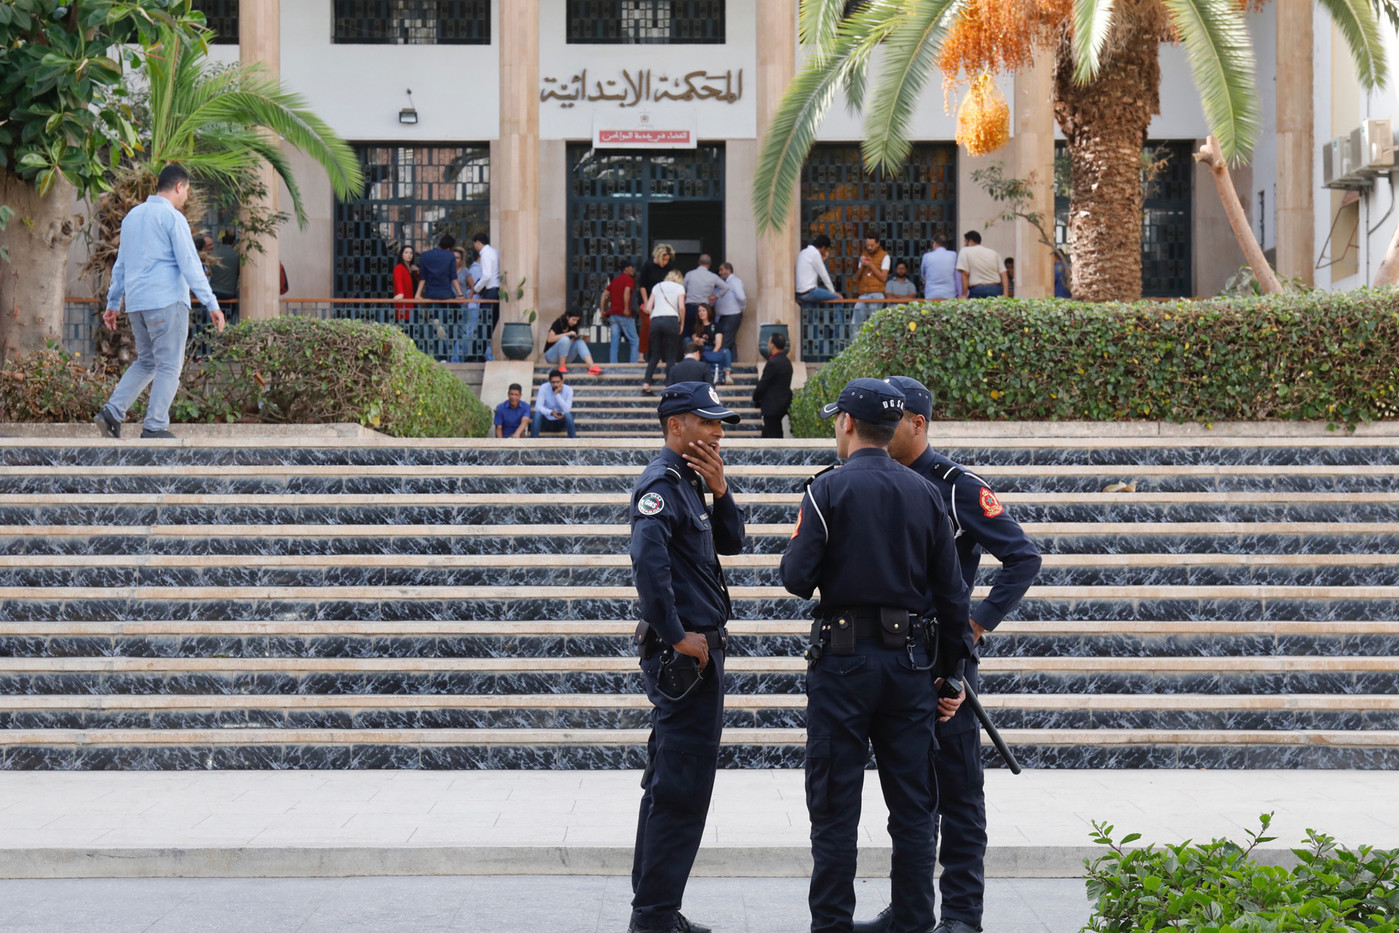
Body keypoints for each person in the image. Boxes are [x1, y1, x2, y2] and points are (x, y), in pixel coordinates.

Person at [780, 377, 974, 933]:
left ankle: (833, 925)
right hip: (913, 667)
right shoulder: (927, 493)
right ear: (893, 428)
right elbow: (953, 595)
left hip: (842, 664)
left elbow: (796, 578)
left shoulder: (826, 491)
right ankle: (914, 921)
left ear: (846, 423)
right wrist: (952, 676)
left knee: (835, 806)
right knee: (914, 808)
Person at [855, 376, 1043, 933]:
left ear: (919, 423)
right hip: (892, 661)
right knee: (909, 798)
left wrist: (977, 624)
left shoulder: (955, 485)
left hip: (945, 662)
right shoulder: (867, 479)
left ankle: (962, 915)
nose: (887, 426)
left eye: (900, 417)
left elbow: (1022, 557)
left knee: (958, 792)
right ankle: (910, 908)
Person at [628, 381, 745, 933]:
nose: (719, 432)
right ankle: (653, 917)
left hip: (699, 652)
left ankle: (656, 910)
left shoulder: (691, 483)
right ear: (677, 425)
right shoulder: (660, 483)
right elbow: (647, 566)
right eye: (710, 421)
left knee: (671, 783)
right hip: (687, 656)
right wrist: (677, 636)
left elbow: (734, 544)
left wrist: (722, 490)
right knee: (680, 787)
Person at [94, 164, 227, 440]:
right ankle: (155, 426)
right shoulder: (172, 217)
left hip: (137, 304)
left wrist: (113, 302)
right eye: (187, 191)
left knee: (148, 361)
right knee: (168, 364)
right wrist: (211, 303)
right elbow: (189, 264)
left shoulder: (132, 217)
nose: (186, 197)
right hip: (167, 301)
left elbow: (121, 265)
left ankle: (112, 412)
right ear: (179, 186)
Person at [641, 268, 685, 396]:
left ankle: (646, 386)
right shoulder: (679, 288)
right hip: (671, 320)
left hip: (655, 320)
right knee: (670, 355)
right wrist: (681, 323)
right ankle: (669, 387)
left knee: (655, 354)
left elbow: (648, 308)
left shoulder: (657, 286)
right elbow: (681, 307)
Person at [637, 243, 675, 362]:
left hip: (661, 302)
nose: (665, 262)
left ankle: (658, 356)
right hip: (647, 299)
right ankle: (641, 355)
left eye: (667, 260)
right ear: (658, 256)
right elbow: (642, 286)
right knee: (647, 326)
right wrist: (647, 303)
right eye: (664, 259)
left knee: (660, 328)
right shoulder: (648, 265)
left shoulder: (668, 268)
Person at [751, 332, 792, 439]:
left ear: (772, 345)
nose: (768, 345)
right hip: (781, 405)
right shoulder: (786, 362)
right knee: (767, 435)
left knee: (774, 437)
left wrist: (755, 396)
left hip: (772, 407)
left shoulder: (773, 363)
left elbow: (764, 383)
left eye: (769, 342)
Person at [849, 232, 890, 331]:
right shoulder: (864, 255)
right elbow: (857, 277)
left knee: (873, 323)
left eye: (872, 245)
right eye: (867, 245)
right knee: (855, 322)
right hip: (863, 293)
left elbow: (883, 278)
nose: (869, 247)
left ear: (878, 244)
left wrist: (870, 265)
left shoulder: (885, 256)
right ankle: (855, 344)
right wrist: (862, 266)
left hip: (877, 293)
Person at [544, 310, 604, 375]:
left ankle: (592, 367)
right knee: (565, 339)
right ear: (567, 317)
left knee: (579, 342)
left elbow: (569, 343)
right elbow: (550, 339)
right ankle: (561, 367)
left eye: (577, 320)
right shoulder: (558, 323)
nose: (575, 322)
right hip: (551, 356)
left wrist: (583, 339)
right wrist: (567, 334)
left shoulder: (574, 326)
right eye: (573, 320)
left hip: (566, 357)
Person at [602, 260, 639, 364]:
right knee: (635, 341)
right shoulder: (629, 280)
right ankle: (633, 367)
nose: (633, 269)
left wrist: (602, 310)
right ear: (626, 269)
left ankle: (613, 366)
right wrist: (626, 309)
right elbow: (626, 293)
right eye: (631, 267)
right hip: (624, 316)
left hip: (613, 316)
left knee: (614, 342)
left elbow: (604, 294)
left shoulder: (614, 281)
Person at [955, 231, 1008, 299]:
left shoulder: (965, 251)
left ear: (970, 242)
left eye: (965, 241)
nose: (964, 244)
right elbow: (1004, 274)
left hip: (977, 291)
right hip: (996, 289)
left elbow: (965, 274)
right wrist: (1005, 294)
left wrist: (964, 294)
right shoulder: (994, 253)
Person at [682, 253, 724, 338]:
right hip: (706, 308)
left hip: (690, 307)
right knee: (704, 333)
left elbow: (682, 289)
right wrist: (716, 296)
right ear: (710, 263)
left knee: (688, 333)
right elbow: (726, 287)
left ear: (698, 262)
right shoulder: (713, 276)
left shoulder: (689, 274)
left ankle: (688, 350)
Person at [714, 262, 746, 363]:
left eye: (721, 270)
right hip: (723, 316)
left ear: (728, 270)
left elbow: (741, 297)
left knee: (726, 342)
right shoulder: (723, 283)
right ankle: (733, 362)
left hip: (732, 315)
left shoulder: (735, 281)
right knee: (730, 341)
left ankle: (722, 364)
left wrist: (741, 308)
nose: (719, 272)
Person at [415, 234, 463, 302]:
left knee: (434, 311)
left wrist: (418, 294)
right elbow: (453, 277)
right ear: (449, 248)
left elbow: (423, 278)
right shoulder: (450, 256)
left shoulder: (424, 256)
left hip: (431, 294)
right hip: (446, 294)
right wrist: (460, 294)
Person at [530, 369, 576, 438]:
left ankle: (574, 444)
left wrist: (557, 394)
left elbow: (567, 410)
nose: (555, 384)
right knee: (537, 414)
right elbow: (538, 407)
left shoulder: (569, 390)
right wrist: (551, 412)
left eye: (558, 382)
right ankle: (532, 442)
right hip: (546, 420)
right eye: (553, 382)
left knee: (568, 416)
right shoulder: (544, 387)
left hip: (560, 420)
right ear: (549, 382)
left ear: (562, 381)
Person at [796, 234, 839, 303]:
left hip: (800, 294)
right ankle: (838, 314)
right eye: (826, 249)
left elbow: (813, 265)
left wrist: (823, 258)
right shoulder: (815, 254)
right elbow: (824, 275)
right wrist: (833, 291)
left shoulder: (804, 252)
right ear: (823, 248)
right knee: (838, 298)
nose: (826, 252)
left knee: (812, 309)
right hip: (810, 292)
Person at [692, 305, 730, 385]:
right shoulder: (697, 326)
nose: (701, 313)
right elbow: (693, 338)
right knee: (687, 341)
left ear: (708, 312)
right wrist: (698, 340)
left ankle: (727, 375)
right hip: (700, 350)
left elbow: (718, 343)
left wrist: (713, 354)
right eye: (699, 311)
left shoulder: (716, 325)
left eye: (703, 310)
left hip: (712, 349)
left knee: (726, 351)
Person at [921, 235, 958, 300]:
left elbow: (923, 274)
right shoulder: (953, 255)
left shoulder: (927, 256)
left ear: (934, 244)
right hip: (949, 295)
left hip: (931, 295)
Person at [208, 231, 240, 306]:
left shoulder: (214, 253)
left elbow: (209, 270)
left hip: (214, 291)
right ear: (234, 242)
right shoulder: (236, 255)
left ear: (222, 240)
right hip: (229, 292)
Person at [470, 232, 500, 303]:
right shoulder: (495, 252)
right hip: (497, 288)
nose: (474, 247)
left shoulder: (485, 254)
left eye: (474, 244)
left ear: (477, 243)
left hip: (491, 289)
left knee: (485, 313)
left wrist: (476, 288)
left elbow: (487, 275)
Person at [392, 245, 418, 322]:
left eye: (411, 253)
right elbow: (398, 281)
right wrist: (400, 293)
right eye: (406, 252)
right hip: (404, 303)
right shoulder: (399, 267)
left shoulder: (411, 269)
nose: (409, 255)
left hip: (412, 303)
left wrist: (418, 271)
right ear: (402, 254)